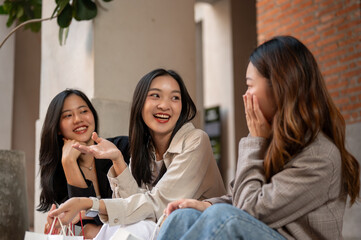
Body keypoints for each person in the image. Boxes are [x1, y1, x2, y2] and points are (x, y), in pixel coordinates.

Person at [157, 36, 361, 240]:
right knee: (181, 217)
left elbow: (247, 211)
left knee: (224, 219)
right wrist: (206, 204)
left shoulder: (320, 156)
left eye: (250, 85)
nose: (245, 95)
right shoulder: (273, 139)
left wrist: (255, 141)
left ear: (280, 87)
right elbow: (245, 197)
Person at [48, 68, 226, 239]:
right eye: (156, 95)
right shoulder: (144, 148)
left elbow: (157, 204)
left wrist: (90, 204)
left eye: (175, 98)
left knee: (135, 227)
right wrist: (118, 160)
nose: (165, 105)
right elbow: (133, 209)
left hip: (199, 231)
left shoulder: (196, 140)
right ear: (140, 104)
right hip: (159, 230)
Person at [37, 89, 130, 238]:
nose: (78, 119)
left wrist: (93, 224)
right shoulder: (58, 173)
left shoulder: (122, 148)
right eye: (68, 115)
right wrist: (69, 163)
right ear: (58, 128)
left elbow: (131, 206)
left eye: (83, 111)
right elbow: (81, 221)